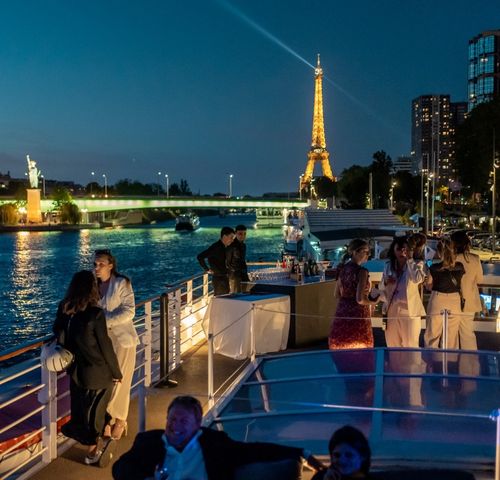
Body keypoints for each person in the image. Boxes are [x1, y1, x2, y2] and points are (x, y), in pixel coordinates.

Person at [112, 395, 324, 480]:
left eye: (183, 421)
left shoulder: (215, 444)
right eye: (172, 419)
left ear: (197, 425)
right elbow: (120, 468)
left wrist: (302, 453)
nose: (175, 426)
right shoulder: (149, 441)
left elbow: (255, 450)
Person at [53, 270, 122, 466]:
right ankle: (94, 452)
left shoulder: (65, 310)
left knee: (84, 411)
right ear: (93, 288)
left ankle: (104, 438)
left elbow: (59, 334)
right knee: (96, 413)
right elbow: (105, 346)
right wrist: (117, 372)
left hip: (76, 371)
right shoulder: (95, 314)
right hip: (99, 372)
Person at [94, 249, 138, 441]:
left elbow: (129, 311)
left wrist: (104, 321)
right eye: (95, 264)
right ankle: (107, 419)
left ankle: (119, 419)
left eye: (100, 264)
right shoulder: (93, 286)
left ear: (110, 265)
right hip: (101, 342)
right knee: (105, 382)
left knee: (120, 381)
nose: (96, 267)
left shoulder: (122, 283)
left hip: (122, 341)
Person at [329, 239, 378, 350]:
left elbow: (336, 294)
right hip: (358, 314)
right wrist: (373, 301)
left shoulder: (342, 269)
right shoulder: (362, 272)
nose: (368, 255)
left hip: (342, 312)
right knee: (360, 348)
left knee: (342, 347)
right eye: (365, 252)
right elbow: (360, 300)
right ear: (355, 252)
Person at [380, 236, 426, 348]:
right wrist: (386, 282)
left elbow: (417, 279)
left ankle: (412, 366)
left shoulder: (417, 264)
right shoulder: (388, 266)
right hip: (391, 310)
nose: (402, 252)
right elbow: (381, 288)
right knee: (393, 345)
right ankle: (395, 366)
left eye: (405, 249)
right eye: (398, 249)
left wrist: (410, 260)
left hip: (409, 311)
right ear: (393, 251)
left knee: (411, 346)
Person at [424, 238, 465, 349]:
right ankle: (449, 363)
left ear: (439, 252)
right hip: (454, 300)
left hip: (438, 299)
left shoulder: (434, 268)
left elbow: (428, 286)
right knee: (451, 337)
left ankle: (431, 362)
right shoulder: (460, 267)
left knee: (432, 334)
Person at [450, 230, 483, 350]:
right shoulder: (475, 258)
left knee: (450, 334)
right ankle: (470, 364)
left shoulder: (450, 259)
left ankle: (447, 363)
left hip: (451, 300)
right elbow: (479, 280)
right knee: (467, 334)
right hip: (469, 301)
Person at [311, 425, 376, 480]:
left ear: (363, 456)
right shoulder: (321, 477)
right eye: (337, 455)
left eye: (348, 455)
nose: (341, 461)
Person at [197, 226, 235, 295]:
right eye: (231, 237)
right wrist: (207, 269)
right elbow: (200, 257)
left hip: (224, 278)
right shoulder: (216, 247)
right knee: (221, 301)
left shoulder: (225, 247)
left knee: (225, 300)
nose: (232, 240)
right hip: (219, 280)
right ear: (224, 236)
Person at [226, 224, 249, 293]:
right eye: (240, 234)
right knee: (236, 296)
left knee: (245, 295)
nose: (243, 236)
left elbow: (242, 260)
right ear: (235, 234)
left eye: (244, 234)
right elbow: (227, 262)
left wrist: (245, 273)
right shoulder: (231, 246)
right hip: (235, 276)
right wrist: (233, 274)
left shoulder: (243, 246)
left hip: (243, 275)